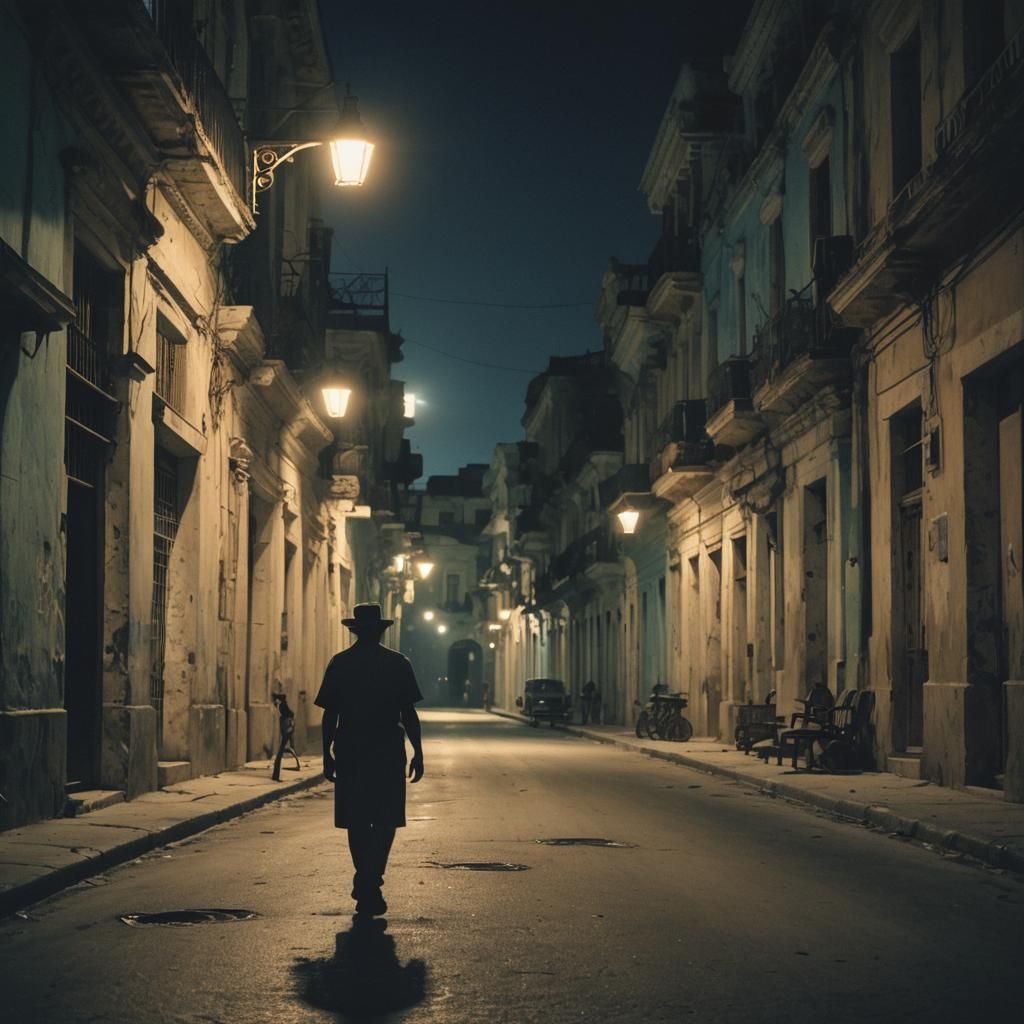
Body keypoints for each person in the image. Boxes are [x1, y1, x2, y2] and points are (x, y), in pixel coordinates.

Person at [317, 603, 425, 917]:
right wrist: (418, 751)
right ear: (381, 630)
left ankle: (365, 877)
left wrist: (326, 753)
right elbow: (409, 713)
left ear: (355, 630)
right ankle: (371, 878)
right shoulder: (398, 663)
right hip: (387, 747)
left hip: (351, 746)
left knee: (357, 818)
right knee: (387, 817)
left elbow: (330, 714)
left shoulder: (340, 663)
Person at [271, 691, 301, 781]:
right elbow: (289, 714)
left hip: (286, 729)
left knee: (281, 752)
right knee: (281, 752)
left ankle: (276, 775)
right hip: (286, 729)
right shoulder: (283, 707)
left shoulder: (282, 707)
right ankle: (276, 775)